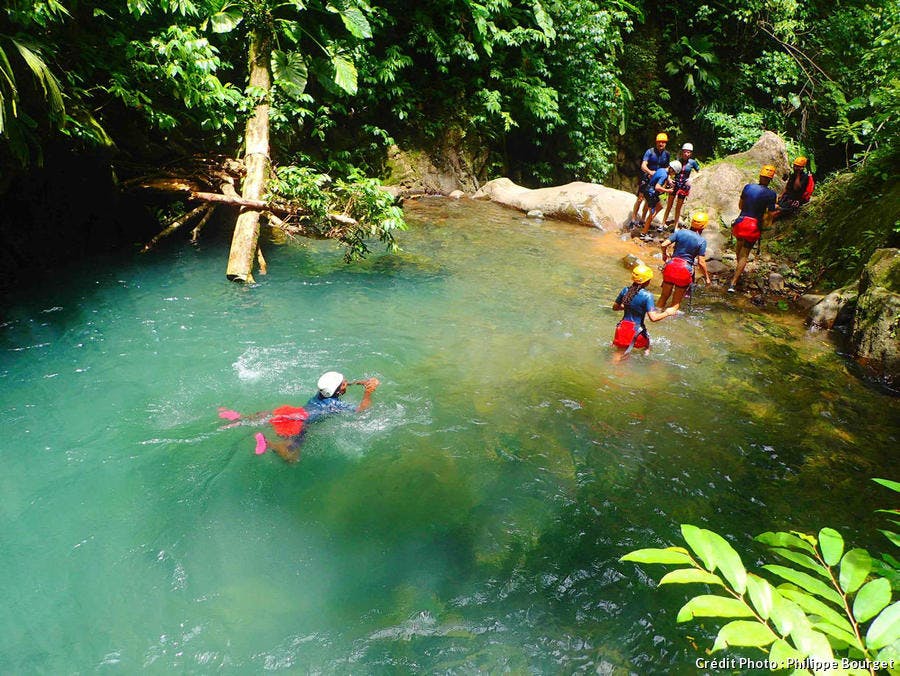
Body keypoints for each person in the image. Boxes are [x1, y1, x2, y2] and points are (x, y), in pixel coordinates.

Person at [218, 371, 380, 463]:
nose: (347, 383)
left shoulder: (322, 393)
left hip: (294, 411)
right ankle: (268, 444)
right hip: (299, 423)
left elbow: (342, 385)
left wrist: (362, 382)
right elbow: (361, 411)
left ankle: (239, 418)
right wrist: (368, 392)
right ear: (337, 391)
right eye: (344, 383)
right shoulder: (334, 404)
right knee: (292, 457)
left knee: (268, 416)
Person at [728, 165, 777, 293]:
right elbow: (770, 215)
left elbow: (740, 206)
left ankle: (738, 271)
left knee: (739, 247)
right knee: (745, 254)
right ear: (770, 179)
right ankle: (733, 282)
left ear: (760, 176)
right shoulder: (772, 194)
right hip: (753, 226)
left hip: (741, 222)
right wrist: (767, 225)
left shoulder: (748, 187)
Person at [612, 264, 678, 358]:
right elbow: (653, 318)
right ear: (647, 281)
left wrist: (628, 306)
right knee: (648, 348)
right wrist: (667, 312)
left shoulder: (625, 290)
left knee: (618, 355)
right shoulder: (647, 296)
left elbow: (615, 307)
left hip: (621, 329)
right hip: (636, 331)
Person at [657, 212, 712, 311]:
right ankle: (669, 320)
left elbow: (663, 245)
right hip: (684, 270)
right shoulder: (701, 241)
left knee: (663, 297)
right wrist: (707, 278)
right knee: (675, 303)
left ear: (692, 223)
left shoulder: (680, 232)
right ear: (703, 226)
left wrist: (664, 255)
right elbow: (701, 262)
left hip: (671, 266)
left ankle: (654, 316)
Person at [630, 133, 671, 225]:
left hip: (657, 180)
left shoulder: (667, 154)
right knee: (640, 198)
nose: (661, 144)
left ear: (665, 143)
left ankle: (643, 219)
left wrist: (668, 179)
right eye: (659, 142)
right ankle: (633, 218)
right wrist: (650, 172)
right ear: (656, 142)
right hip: (647, 178)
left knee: (649, 200)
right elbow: (643, 166)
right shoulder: (650, 152)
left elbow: (667, 168)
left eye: (663, 142)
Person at [661, 143, 701, 227]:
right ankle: (662, 223)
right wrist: (669, 179)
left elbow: (699, 173)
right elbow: (668, 171)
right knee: (669, 205)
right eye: (685, 152)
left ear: (691, 153)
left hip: (684, 186)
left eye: (689, 152)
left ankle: (675, 226)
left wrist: (691, 179)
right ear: (682, 152)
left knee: (678, 208)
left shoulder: (692, 162)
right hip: (675, 184)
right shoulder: (677, 161)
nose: (687, 154)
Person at [639, 161, 679, 237]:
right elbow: (657, 187)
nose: (673, 174)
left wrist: (669, 181)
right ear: (671, 169)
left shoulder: (662, 170)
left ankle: (646, 226)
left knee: (659, 207)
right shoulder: (664, 175)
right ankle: (643, 233)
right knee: (652, 214)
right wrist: (668, 190)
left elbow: (656, 176)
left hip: (649, 190)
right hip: (651, 193)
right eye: (674, 173)